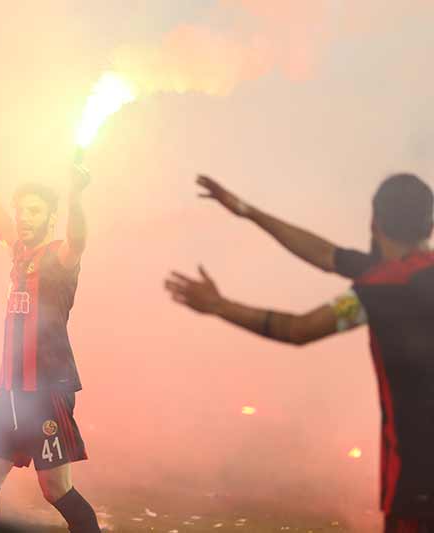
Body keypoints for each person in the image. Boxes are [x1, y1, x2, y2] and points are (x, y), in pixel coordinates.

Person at [165, 173, 434, 533]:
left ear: (374, 222)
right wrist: (246, 211)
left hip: (417, 481)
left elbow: (298, 330)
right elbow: (324, 254)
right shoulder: (393, 275)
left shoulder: (379, 290)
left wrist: (219, 306)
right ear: (429, 225)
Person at [0, 143, 100, 533]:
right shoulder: (19, 254)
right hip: (6, 391)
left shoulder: (59, 258)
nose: (24, 218)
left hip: (45, 393)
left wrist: (76, 194)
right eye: (22, 209)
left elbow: (79, 239)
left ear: (52, 217)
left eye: (34, 211)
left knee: (55, 489)